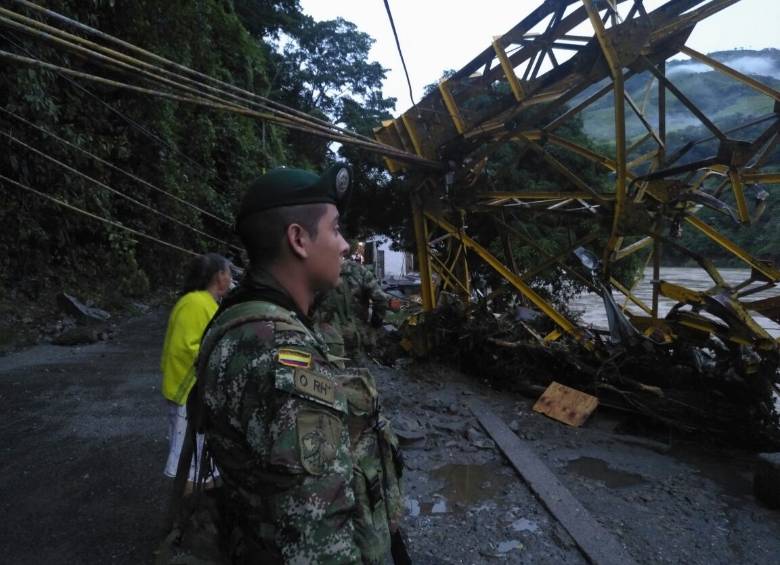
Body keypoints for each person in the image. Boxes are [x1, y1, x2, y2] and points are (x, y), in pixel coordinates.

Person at [192, 165, 404, 563]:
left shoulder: (239, 321)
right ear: (299, 240)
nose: (344, 246)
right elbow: (320, 541)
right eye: (336, 229)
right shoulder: (285, 360)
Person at [160, 253, 232, 485]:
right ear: (220, 276)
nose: (231, 278)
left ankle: (194, 502)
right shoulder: (196, 303)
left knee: (197, 453)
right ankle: (185, 511)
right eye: (229, 272)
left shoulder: (201, 301)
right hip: (187, 392)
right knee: (188, 457)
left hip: (191, 392)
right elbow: (187, 348)